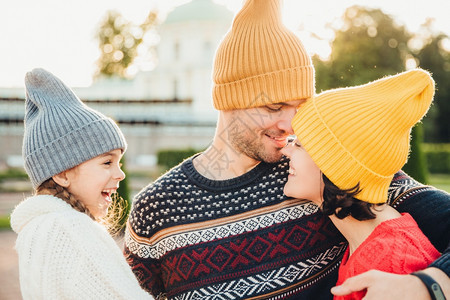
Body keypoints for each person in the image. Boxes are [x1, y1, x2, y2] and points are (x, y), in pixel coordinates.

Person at [124, 0, 450, 299]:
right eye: (274, 106)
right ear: (228, 101)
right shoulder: (156, 208)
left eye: (299, 107)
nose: (290, 126)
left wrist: (426, 286)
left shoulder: (326, 169)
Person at [281, 69, 445, 300]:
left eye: (299, 145)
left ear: (336, 165)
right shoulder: (367, 245)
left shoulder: (391, 264)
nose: (286, 151)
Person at [10, 68, 153, 299]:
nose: (120, 174)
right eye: (107, 162)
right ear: (62, 174)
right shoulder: (74, 229)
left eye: (120, 163)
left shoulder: (34, 230)